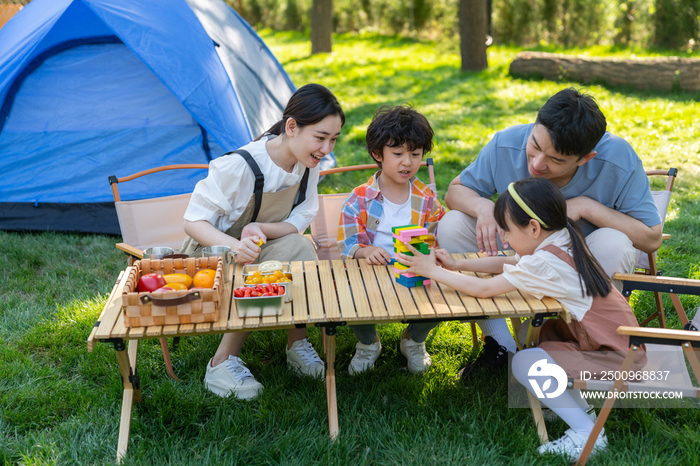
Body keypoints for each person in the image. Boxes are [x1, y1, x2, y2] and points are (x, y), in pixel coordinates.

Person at [398, 177, 647, 462]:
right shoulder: (561, 238)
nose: (503, 238)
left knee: (524, 361)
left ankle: (587, 433)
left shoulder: (546, 261)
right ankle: (583, 415)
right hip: (621, 347)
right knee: (531, 346)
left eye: (506, 231)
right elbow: (512, 263)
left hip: (614, 357)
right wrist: (458, 264)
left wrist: (433, 272)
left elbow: (484, 290)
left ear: (533, 228)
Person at [437, 88, 661, 381]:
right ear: (534, 126)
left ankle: (580, 346)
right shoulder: (506, 142)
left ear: (586, 158)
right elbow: (454, 191)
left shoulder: (618, 159)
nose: (537, 164)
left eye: (556, 160)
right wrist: (484, 208)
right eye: (535, 145)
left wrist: (586, 207)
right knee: (452, 223)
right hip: (519, 252)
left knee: (614, 244)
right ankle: (500, 343)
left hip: (578, 265)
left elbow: (651, 237)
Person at [181, 83, 345, 400]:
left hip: (255, 245)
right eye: (321, 138)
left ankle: (297, 343)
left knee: (300, 248)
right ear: (292, 127)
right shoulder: (239, 165)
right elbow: (192, 221)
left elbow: (302, 218)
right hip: (212, 253)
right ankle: (221, 363)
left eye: (333, 140)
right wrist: (235, 246)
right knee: (256, 268)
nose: (327, 149)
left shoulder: (308, 165)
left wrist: (259, 228)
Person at [337, 105, 446, 375]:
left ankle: (414, 339)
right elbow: (347, 244)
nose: (407, 162)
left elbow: (437, 238)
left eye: (415, 154)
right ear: (378, 154)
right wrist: (366, 251)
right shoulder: (360, 198)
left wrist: (431, 256)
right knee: (348, 298)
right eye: (397, 154)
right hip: (371, 275)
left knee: (445, 294)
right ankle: (368, 342)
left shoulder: (427, 198)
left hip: (414, 272)